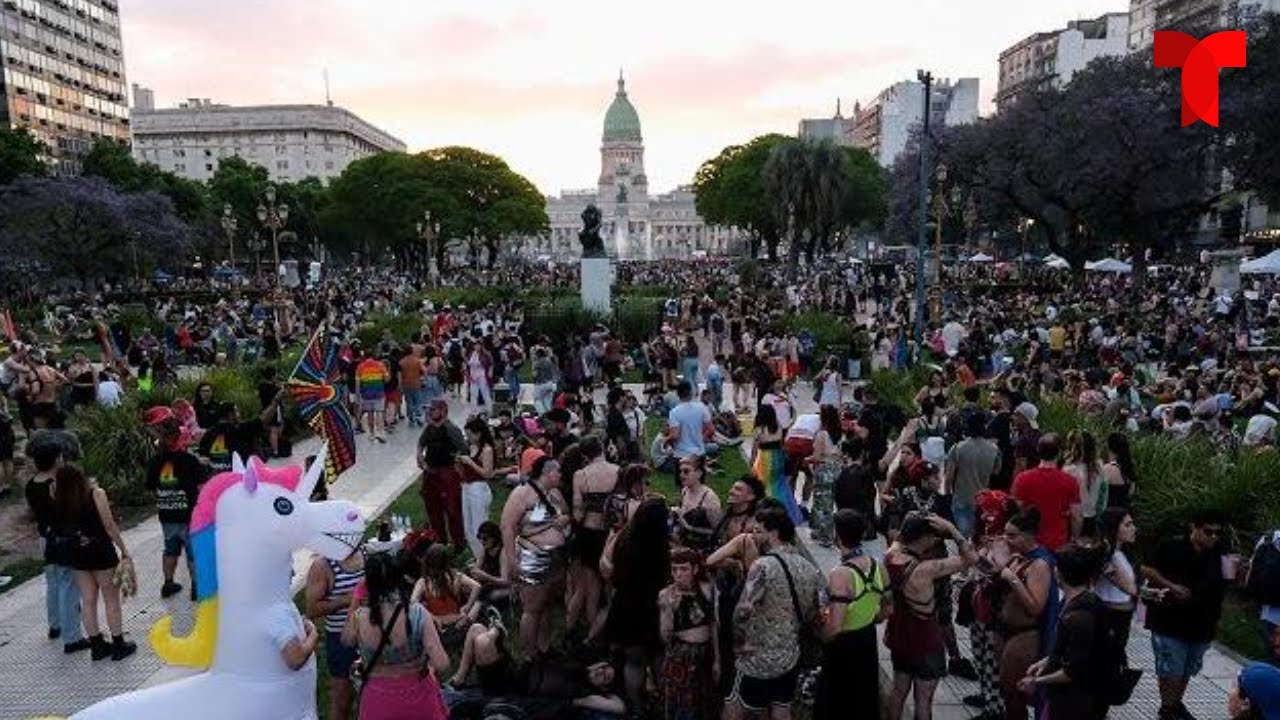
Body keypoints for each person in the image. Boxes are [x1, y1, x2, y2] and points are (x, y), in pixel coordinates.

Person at [725, 506, 823, 720]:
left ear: (774, 533)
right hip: (789, 657)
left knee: (734, 710)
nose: (753, 536)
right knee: (781, 710)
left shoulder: (763, 566)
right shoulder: (808, 568)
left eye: (758, 531)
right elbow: (812, 615)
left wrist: (738, 644)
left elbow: (743, 610)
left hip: (756, 658)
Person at [883, 513, 977, 720]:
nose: (935, 541)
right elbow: (972, 559)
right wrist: (952, 529)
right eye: (933, 536)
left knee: (898, 692)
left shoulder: (890, 557)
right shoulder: (927, 569)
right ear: (924, 538)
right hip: (926, 642)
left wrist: (912, 522)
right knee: (923, 701)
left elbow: (900, 538)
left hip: (900, 636)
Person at [1143, 508, 1229, 720]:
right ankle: (1167, 709)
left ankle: (1174, 705)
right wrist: (1171, 586)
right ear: (1194, 527)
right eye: (1208, 532)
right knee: (1171, 670)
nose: (1213, 537)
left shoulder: (1217, 550)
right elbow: (1146, 568)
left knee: (1187, 669)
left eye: (1217, 533)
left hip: (1202, 622)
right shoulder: (1171, 546)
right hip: (1169, 621)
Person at [342, 553, 450, 720]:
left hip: (378, 699)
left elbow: (346, 640)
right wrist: (426, 665)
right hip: (418, 694)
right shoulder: (417, 613)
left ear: (368, 582)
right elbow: (442, 664)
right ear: (399, 578)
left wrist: (357, 599)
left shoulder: (359, 617)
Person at [52, 465, 136, 661]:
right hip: (101, 553)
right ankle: (118, 644)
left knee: (88, 601)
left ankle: (97, 646)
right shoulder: (96, 494)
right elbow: (109, 525)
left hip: (77, 555)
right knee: (111, 600)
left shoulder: (59, 499)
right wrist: (123, 550)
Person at [1019, 542, 1112, 720]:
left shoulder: (1080, 616)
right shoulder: (1077, 603)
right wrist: (1046, 661)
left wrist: (1036, 681)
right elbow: (1072, 648)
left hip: (1076, 703)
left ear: (1059, 573)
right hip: (1071, 699)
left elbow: (1072, 671)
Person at [814, 509, 888, 720]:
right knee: (863, 701)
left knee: (836, 703)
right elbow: (888, 608)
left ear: (837, 536)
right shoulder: (878, 566)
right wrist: (870, 618)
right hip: (866, 640)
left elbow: (835, 626)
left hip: (843, 646)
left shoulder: (840, 574)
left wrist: (820, 638)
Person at [604, 497, 672, 714]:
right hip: (651, 607)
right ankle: (666, 707)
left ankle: (637, 708)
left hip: (625, 605)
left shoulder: (624, 538)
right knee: (659, 659)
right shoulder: (659, 545)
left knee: (634, 662)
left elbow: (609, 569)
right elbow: (665, 577)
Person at [500, 456, 570, 656]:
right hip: (534, 557)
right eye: (558, 471)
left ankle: (544, 649)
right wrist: (512, 561)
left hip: (555, 558)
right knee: (532, 608)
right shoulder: (522, 494)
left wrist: (564, 520)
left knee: (546, 604)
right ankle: (529, 655)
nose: (561, 475)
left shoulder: (555, 494)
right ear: (548, 473)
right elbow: (507, 527)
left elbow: (566, 513)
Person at [24, 434, 85, 653]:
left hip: (45, 537)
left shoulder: (31, 485)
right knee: (69, 585)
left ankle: (55, 625)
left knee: (53, 582)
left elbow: (34, 513)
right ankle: (72, 636)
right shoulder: (55, 485)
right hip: (62, 539)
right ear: (56, 459)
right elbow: (67, 512)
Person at [996, 508, 1058, 720]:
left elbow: (1035, 607)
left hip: (1025, 636)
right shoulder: (1018, 558)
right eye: (1005, 533)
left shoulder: (1040, 564)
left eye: (1012, 535)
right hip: (1006, 632)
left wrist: (1012, 579)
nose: (1006, 539)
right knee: (1006, 691)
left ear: (1029, 536)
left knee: (1015, 693)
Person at [143, 411, 209, 600]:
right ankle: (197, 586)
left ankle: (168, 583)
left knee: (170, 549)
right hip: (189, 515)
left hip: (167, 515)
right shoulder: (190, 461)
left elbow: (150, 487)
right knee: (192, 552)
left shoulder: (155, 461)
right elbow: (202, 488)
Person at [658, 547, 720, 720]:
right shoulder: (666, 595)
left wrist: (717, 659)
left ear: (694, 569)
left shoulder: (707, 590)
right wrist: (669, 610)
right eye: (674, 569)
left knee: (705, 702)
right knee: (681, 704)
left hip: (704, 653)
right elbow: (665, 636)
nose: (678, 574)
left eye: (683, 569)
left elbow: (714, 625)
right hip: (681, 655)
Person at [304, 549, 365, 720]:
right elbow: (312, 609)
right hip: (341, 640)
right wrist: (346, 600)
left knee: (373, 696)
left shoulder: (366, 555)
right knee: (342, 701)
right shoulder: (323, 566)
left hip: (370, 635)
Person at [569, 434, 617, 640]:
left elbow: (578, 514)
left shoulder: (580, 475)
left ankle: (592, 633)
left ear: (585, 455)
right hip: (612, 534)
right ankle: (612, 629)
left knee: (592, 586)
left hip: (589, 533)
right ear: (603, 449)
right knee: (612, 585)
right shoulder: (618, 471)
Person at [1011, 434, 1082, 552]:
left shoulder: (1022, 478)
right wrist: (1075, 538)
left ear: (1038, 451)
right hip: (1058, 542)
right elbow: (1077, 516)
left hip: (1029, 542)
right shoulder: (1070, 481)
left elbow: (1017, 509)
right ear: (1059, 453)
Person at [417, 399, 468, 549]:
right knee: (433, 509)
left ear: (443, 411)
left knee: (453, 510)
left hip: (447, 473)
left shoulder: (451, 429)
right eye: (430, 410)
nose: (430, 412)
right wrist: (419, 455)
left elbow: (464, 449)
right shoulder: (429, 428)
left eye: (433, 409)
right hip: (431, 473)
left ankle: (459, 542)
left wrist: (457, 465)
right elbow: (421, 443)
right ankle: (439, 541)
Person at [412, 544, 482, 651]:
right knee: (478, 604)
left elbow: (413, 602)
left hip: (437, 623)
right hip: (456, 618)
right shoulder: (455, 576)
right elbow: (477, 586)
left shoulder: (423, 582)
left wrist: (431, 617)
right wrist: (467, 606)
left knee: (421, 607)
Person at [945, 413, 1001, 539]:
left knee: (963, 538)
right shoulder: (994, 449)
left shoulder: (957, 448)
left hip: (961, 497)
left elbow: (949, 476)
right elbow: (995, 472)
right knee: (980, 537)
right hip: (983, 500)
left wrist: (947, 495)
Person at [457, 417, 506, 559]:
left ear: (478, 434)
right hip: (466, 487)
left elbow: (488, 473)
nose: (468, 438)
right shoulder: (470, 447)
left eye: (470, 435)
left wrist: (471, 463)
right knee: (468, 528)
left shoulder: (487, 450)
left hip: (478, 488)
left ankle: (484, 558)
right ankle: (478, 556)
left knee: (479, 526)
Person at [1096, 508, 1139, 666]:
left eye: (1133, 524)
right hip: (1108, 616)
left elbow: (1133, 587)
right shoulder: (1105, 554)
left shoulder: (1123, 553)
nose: (1134, 528)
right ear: (1113, 527)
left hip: (1124, 617)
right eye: (1128, 525)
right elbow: (1129, 588)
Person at [751, 403, 803, 526]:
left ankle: (767, 511)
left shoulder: (759, 430)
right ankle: (789, 513)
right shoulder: (778, 427)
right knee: (780, 485)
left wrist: (751, 464)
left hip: (765, 460)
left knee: (766, 485)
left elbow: (754, 450)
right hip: (779, 457)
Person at [1060, 429, 1107, 537]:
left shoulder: (1069, 470)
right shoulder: (1099, 466)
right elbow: (1103, 492)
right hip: (1093, 516)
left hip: (1073, 518)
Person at [674, 455, 722, 551]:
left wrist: (685, 523)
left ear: (699, 473)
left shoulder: (709, 498)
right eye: (681, 471)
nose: (681, 475)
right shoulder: (685, 490)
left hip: (703, 548)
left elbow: (717, 531)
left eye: (686, 471)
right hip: (684, 543)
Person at [668, 380, 716, 463]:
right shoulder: (702, 408)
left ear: (678, 394)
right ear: (691, 392)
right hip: (699, 453)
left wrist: (667, 442)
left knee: (683, 475)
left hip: (681, 454)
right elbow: (711, 430)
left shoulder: (674, 412)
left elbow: (675, 436)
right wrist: (702, 439)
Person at [356, 349, 390, 443]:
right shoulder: (380, 365)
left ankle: (371, 434)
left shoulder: (360, 366)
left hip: (366, 394)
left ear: (364, 356)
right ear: (373, 355)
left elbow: (358, 383)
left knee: (370, 413)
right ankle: (380, 433)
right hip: (379, 392)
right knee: (379, 413)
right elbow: (387, 379)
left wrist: (358, 396)